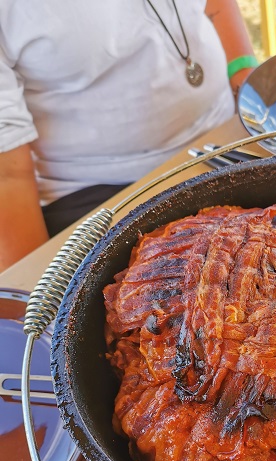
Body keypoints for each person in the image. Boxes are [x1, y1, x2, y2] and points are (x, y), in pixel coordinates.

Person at [0, 0, 257, 272]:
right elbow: (7, 175)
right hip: (102, 194)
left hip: (229, 136)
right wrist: (28, 284)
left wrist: (247, 79)